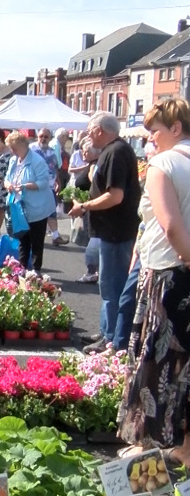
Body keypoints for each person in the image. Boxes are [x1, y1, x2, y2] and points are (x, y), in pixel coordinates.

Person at [116, 98, 190, 463]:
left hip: (168, 274)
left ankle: (146, 446)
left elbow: (170, 224)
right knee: (186, 364)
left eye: (155, 132)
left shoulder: (164, 163)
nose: (151, 140)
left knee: (155, 361)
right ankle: (186, 449)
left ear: (176, 129)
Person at [69, 112, 141, 354]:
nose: (87, 135)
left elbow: (115, 196)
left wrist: (85, 206)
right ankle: (106, 331)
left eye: (90, 130)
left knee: (112, 287)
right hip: (110, 230)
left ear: (100, 130)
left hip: (116, 231)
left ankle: (110, 338)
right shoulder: (112, 152)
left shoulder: (116, 152)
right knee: (107, 286)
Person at [4, 131, 54, 274]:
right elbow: (7, 177)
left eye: (13, 148)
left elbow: (43, 183)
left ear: (22, 146)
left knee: (36, 239)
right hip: (19, 206)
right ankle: (22, 268)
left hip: (38, 206)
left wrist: (25, 186)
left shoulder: (37, 161)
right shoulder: (13, 160)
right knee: (22, 237)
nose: (11, 151)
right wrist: (8, 184)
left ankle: (36, 269)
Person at [30, 128, 68, 246]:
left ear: (50, 138)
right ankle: (30, 236)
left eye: (46, 137)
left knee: (51, 211)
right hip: (34, 186)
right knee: (33, 212)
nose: (43, 139)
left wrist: (58, 182)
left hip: (49, 187)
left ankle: (56, 236)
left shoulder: (52, 152)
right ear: (37, 136)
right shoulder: (31, 149)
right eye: (41, 136)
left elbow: (55, 167)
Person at [73, 137, 101, 284]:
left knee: (93, 243)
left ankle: (92, 272)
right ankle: (93, 271)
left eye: (86, 151)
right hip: (87, 207)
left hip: (92, 208)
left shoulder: (94, 166)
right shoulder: (90, 164)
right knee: (91, 240)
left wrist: (83, 204)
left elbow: (95, 185)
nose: (83, 154)